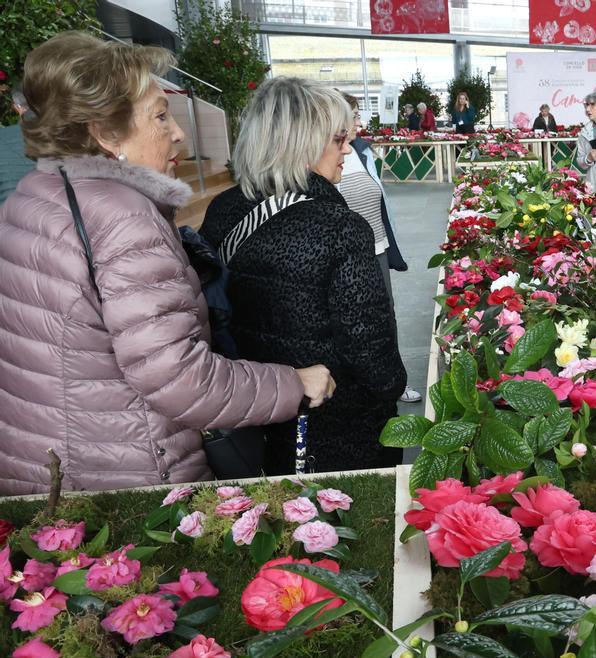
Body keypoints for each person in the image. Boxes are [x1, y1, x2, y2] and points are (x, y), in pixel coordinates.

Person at [0, 33, 336, 496]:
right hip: (127, 477)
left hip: (45, 467)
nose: (178, 132)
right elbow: (178, 377)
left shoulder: (33, 197)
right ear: (104, 132)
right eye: (160, 115)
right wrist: (292, 383)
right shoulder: (123, 218)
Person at [201, 78, 407, 475]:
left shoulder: (223, 209)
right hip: (336, 425)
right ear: (303, 142)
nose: (347, 148)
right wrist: (391, 390)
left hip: (255, 409)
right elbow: (370, 348)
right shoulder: (339, 227)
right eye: (338, 138)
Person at [337, 92, 423, 404]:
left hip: (377, 248)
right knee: (359, 322)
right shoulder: (325, 160)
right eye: (355, 116)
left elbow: (379, 201)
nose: (360, 122)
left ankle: (393, 381)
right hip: (349, 257)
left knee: (387, 317)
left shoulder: (361, 152)